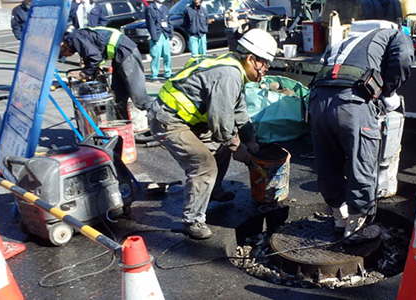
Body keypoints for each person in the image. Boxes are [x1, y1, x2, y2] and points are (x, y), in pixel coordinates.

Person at [147, 28, 277, 239]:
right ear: (251, 59)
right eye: (265, 63)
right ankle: (193, 219)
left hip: (189, 120)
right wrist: (238, 148)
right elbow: (221, 123)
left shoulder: (234, 69)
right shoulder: (229, 75)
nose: (267, 69)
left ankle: (213, 190)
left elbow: (238, 109)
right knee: (203, 165)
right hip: (168, 120)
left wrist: (249, 139)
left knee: (221, 147)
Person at [309, 28, 414, 244]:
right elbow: (403, 56)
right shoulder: (395, 34)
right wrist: (388, 91)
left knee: (327, 162)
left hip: (318, 100)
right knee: (361, 163)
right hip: (353, 102)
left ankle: (340, 218)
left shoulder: (346, 40)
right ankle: (356, 229)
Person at [59, 27, 153, 118]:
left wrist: (83, 73)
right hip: (118, 54)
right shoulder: (76, 38)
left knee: (140, 99)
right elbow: (94, 53)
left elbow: (95, 57)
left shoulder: (74, 38)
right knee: (118, 97)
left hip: (125, 51)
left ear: (62, 47)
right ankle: (123, 127)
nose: (67, 57)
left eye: (64, 55)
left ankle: (160, 124)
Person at [146, 0, 173, 82]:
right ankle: (154, 75)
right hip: (157, 35)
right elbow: (150, 24)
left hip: (165, 34)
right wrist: (154, 37)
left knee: (167, 55)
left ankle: (168, 73)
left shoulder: (164, 8)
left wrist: (171, 34)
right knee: (155, 56)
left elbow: (169, 22)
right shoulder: (150, 8)